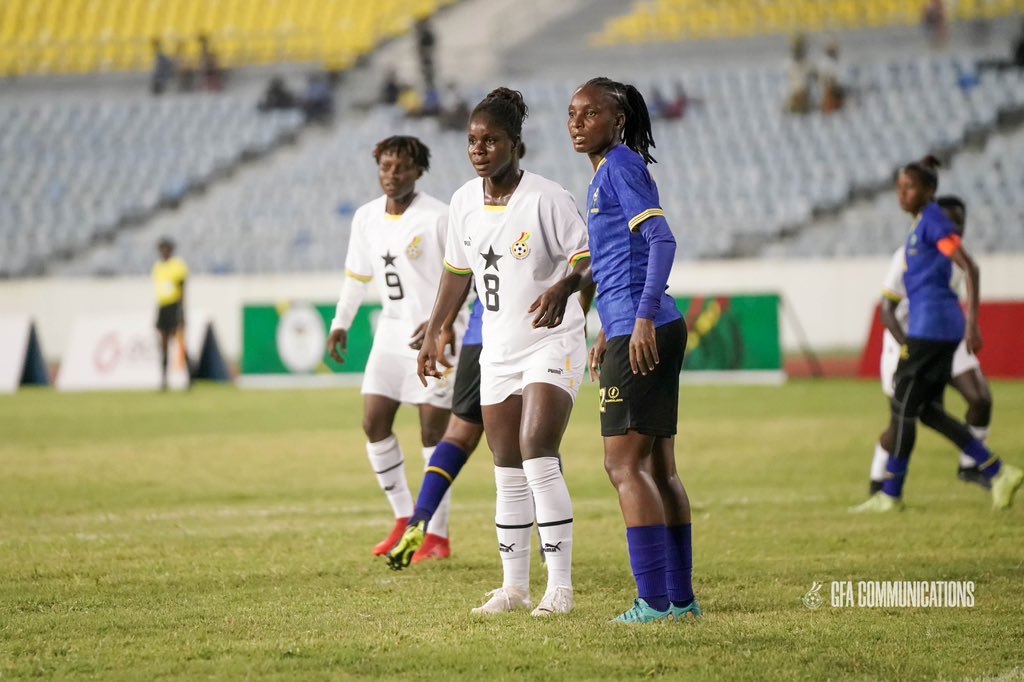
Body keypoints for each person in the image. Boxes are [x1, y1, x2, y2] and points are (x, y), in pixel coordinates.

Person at [417, 87, 591, 617]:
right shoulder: (464, 202)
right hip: (497, 350)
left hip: (552, 343)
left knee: (537, 448)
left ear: (516, 145)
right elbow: (456, 271)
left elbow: (588, 260)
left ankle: (559, 588)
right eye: (473, 140)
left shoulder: (547, 198)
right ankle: (514, 588)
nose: (479, 149)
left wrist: (566, 292)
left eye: (491, 141)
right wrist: (437, 327)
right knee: (506, 466)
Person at [561, 76, 700, 624]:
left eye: (590, 113)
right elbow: (618, 262)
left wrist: (638, 320)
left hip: (645, 326)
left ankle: (655, 602)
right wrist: (606, 329)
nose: (576, 121)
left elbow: (661, 240)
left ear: (617, 121)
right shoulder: (606, 174)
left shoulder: (619, 166)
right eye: (572, 112)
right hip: (639, 325)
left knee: (622, 467)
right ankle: (680, 602)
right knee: (659, 467)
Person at [851, 157, 1023, 513]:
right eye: (899, 187)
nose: (901, 194)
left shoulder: (932, 223)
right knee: (923, 410)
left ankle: (890, 494)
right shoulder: (921, 226)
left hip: (931, 329)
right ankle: (996, 471)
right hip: (936, 329)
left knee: (903, 405)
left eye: (909, 187)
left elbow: (968, 265)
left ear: (929, 191)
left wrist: (973, 323)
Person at [326, 136, 465, 560]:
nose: (392, 175)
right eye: (386, 167)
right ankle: (406, 518)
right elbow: (357, 277)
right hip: (390, 334)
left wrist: (445, 324)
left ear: (418, 171)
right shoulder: (366, 217)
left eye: (401, 168)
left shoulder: (439, 217)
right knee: (373, 421)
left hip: (437, 335)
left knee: (432, 432)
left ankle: (435, 535)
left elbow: (468, 274)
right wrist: (340, 323)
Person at [867, 195, 994, 494]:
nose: (957, 226)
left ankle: (970, 466)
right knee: (905, 419)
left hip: (944, 338)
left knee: (980, 398)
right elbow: (887, 312)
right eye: (951, 220)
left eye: (961, 220)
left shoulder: (960, 259)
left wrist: (969, 327)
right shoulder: (907, 255)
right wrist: (908, 348)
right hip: (906, 343)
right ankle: (878, 484)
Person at [152, 237, 190, 390]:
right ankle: (164, 380)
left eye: (166, 249)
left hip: (175, 306)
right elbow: (160, 292)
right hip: (163, 307)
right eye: (162, 249)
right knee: (164, 344)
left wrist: (181, 310)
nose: (164, 252)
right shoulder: (158, 268)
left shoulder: (178, 266)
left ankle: (190, 377)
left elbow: (182, 289)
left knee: (180, 342)